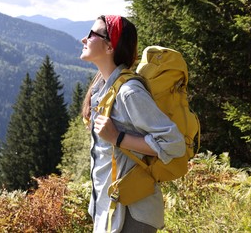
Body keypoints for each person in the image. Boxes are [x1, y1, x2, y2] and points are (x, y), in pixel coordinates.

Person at [80, 15, 186, 232]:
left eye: (92, 34)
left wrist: (117, 138)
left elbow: (173, 143)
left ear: (110, 47)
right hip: (108, 209)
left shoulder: (129, 92)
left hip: (132, 214)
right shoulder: (102, 89)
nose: (84, 39)